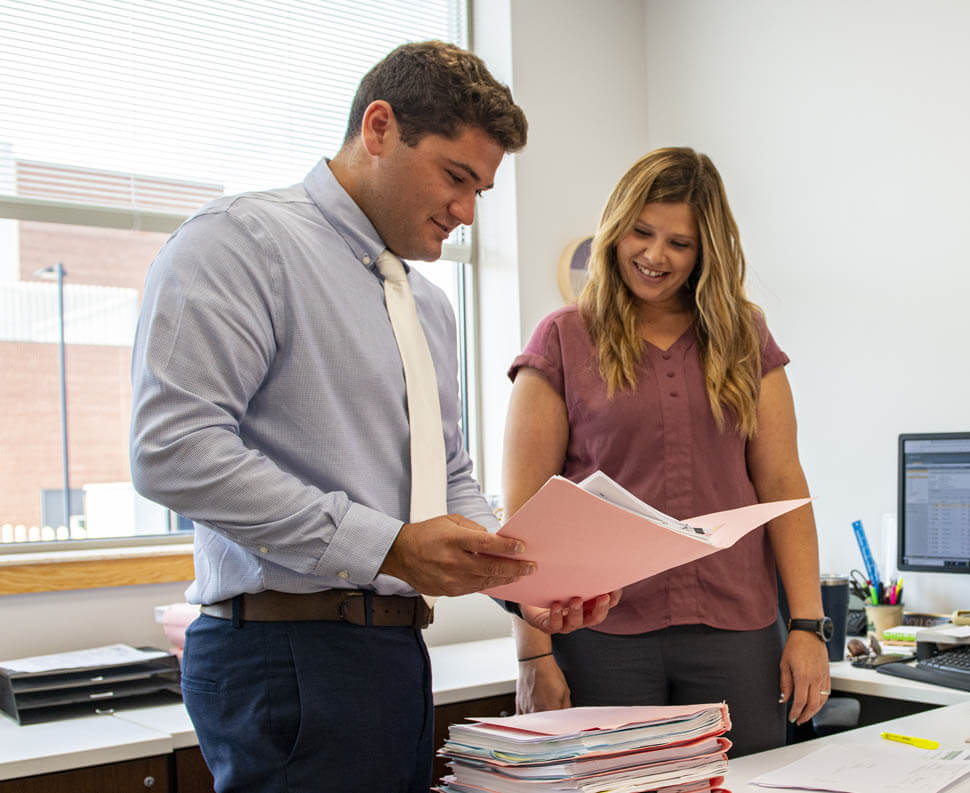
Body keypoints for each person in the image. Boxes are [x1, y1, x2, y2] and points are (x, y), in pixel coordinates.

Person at [130, 41, 616, 793]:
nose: (466, 211)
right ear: (379, 128)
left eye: (481, 190)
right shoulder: (241, 242)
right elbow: (174, 450)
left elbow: (446, 473)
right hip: (284, 652)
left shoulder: (427, 305)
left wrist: (526, 578)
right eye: (456, 177)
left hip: (393, 656)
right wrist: (387, 546)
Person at [502, 147, 830, 757]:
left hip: (736, 630)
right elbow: (524, 517)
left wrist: (809, 627)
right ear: (615, 229)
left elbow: (783, 484)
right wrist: (533, 654)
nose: (655, 257)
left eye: (679, 243)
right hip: (601, 635)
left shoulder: (745, 336)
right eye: (642, 233)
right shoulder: (562, 338)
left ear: (706, 250)